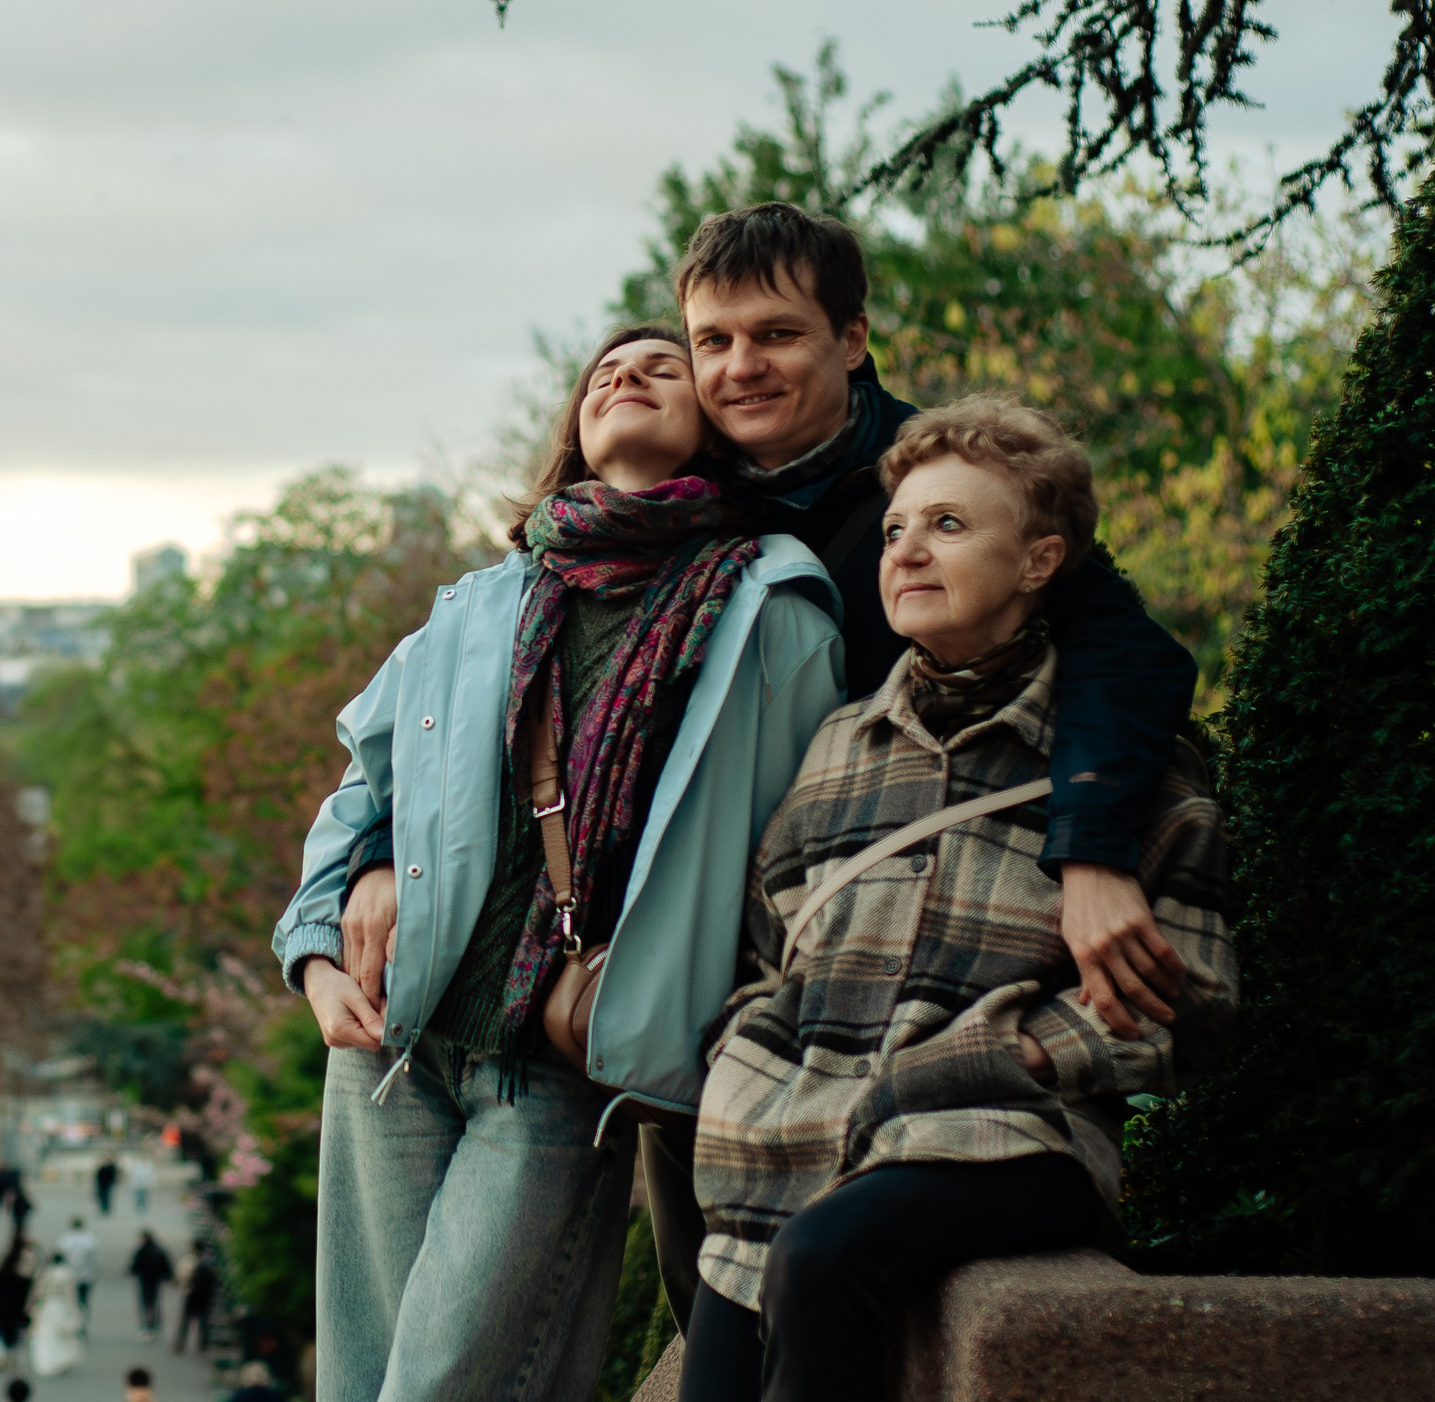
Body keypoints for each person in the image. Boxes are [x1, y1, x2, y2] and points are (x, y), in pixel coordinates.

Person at [274, 323, 846, 1402]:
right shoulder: (480, 601)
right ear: (576, 431)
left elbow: (791, 859)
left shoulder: (768, 603)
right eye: (603, 375)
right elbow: (365, 790)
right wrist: (316, 948)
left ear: (708, 423)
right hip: (394, 1034)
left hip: (556, 1060)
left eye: (661, 367)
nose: (625, 376)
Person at [682, 397, 1238, 1402]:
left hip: (1000, 1133)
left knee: (823, 1255)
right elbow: (767, 949)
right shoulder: (837, 745)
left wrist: (1011, 1055)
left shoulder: (1129, 775)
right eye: (896, 528)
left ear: (1039, 560)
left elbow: (1188, 999)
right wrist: (748, 1059)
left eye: (947, 524)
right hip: (783, 1140)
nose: (905, 550)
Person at [673, 203, 1204, 1030]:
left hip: (904, 917)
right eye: (713, 341)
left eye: (777, 334)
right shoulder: (667, 500)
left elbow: (1126, 651)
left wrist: (1093, 852)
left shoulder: (949, 481)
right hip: (700, 930)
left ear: (852, 339)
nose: (742, 367)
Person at [0, 1239, 38, 1373]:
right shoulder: (7, 1274)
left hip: (18, 1312)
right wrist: (3, 1298)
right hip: (4, 1310)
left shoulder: (29, 1279)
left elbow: (32, 1296)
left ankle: (6, 1358)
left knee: (14, 1337)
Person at [29, 1257, 87, 1377]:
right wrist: (77, 1313)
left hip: (47, 1307)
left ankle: (49, 1361)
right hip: (61, 1307)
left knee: (47, 1336)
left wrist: (35, 1309)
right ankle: (62, 1361)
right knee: (62, 1336)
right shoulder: (66, 1274)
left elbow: (38, 1293)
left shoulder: (45, 1274)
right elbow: (71, 1296)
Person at [126, 1229, 173, 1340]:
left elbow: (134, 1267)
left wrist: (132, 1271)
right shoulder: (159, 1250)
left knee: (146, 1304)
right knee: (154, 1303)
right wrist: (167, 1276)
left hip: (144, 1281)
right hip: (155, 1281)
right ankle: (154, 1324)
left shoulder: (141, 1251)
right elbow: (166, 1266)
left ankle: (148, 1325)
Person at [173, 1240, 219, 1354]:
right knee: (203, 1320)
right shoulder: (209, 1261)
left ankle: (181, 1343)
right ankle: (203, 1344)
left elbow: (185, 1277)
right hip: (205, 1295)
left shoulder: (194, 1261)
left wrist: (189, 1287)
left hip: (194, 1294)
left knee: (186, 1320)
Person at [55, 1215, 100, 1329]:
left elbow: (59, 1258)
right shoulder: (90, 1240)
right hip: (86, 1276)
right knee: (83, 1301)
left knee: (70, 1301)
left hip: (68, 1276)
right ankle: (83, 1323)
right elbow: (94, 1260)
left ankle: (72, 1323)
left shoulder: (64, 1240)